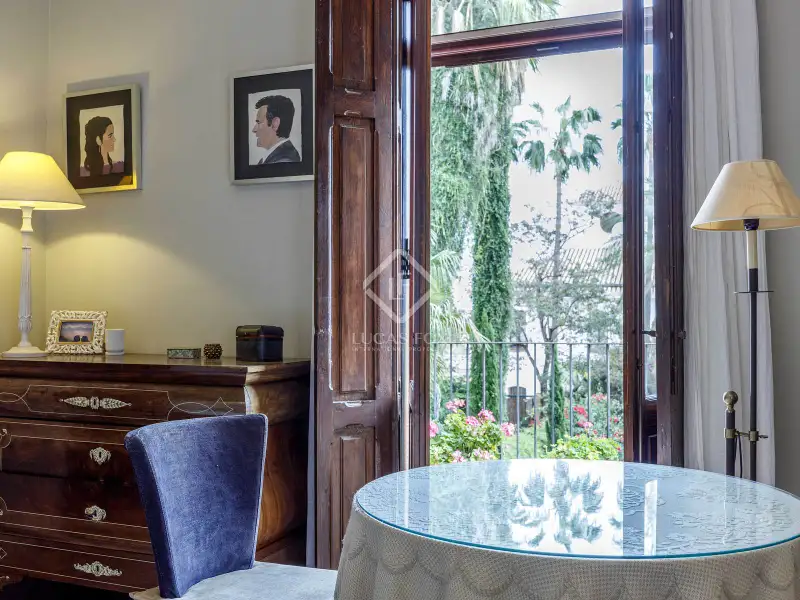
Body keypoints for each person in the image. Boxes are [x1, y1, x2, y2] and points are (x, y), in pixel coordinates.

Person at [252, 95, 301, 164]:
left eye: (258, 122)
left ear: (275, 123)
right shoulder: (278, 157)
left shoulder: (283, 160)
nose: (254, 130)